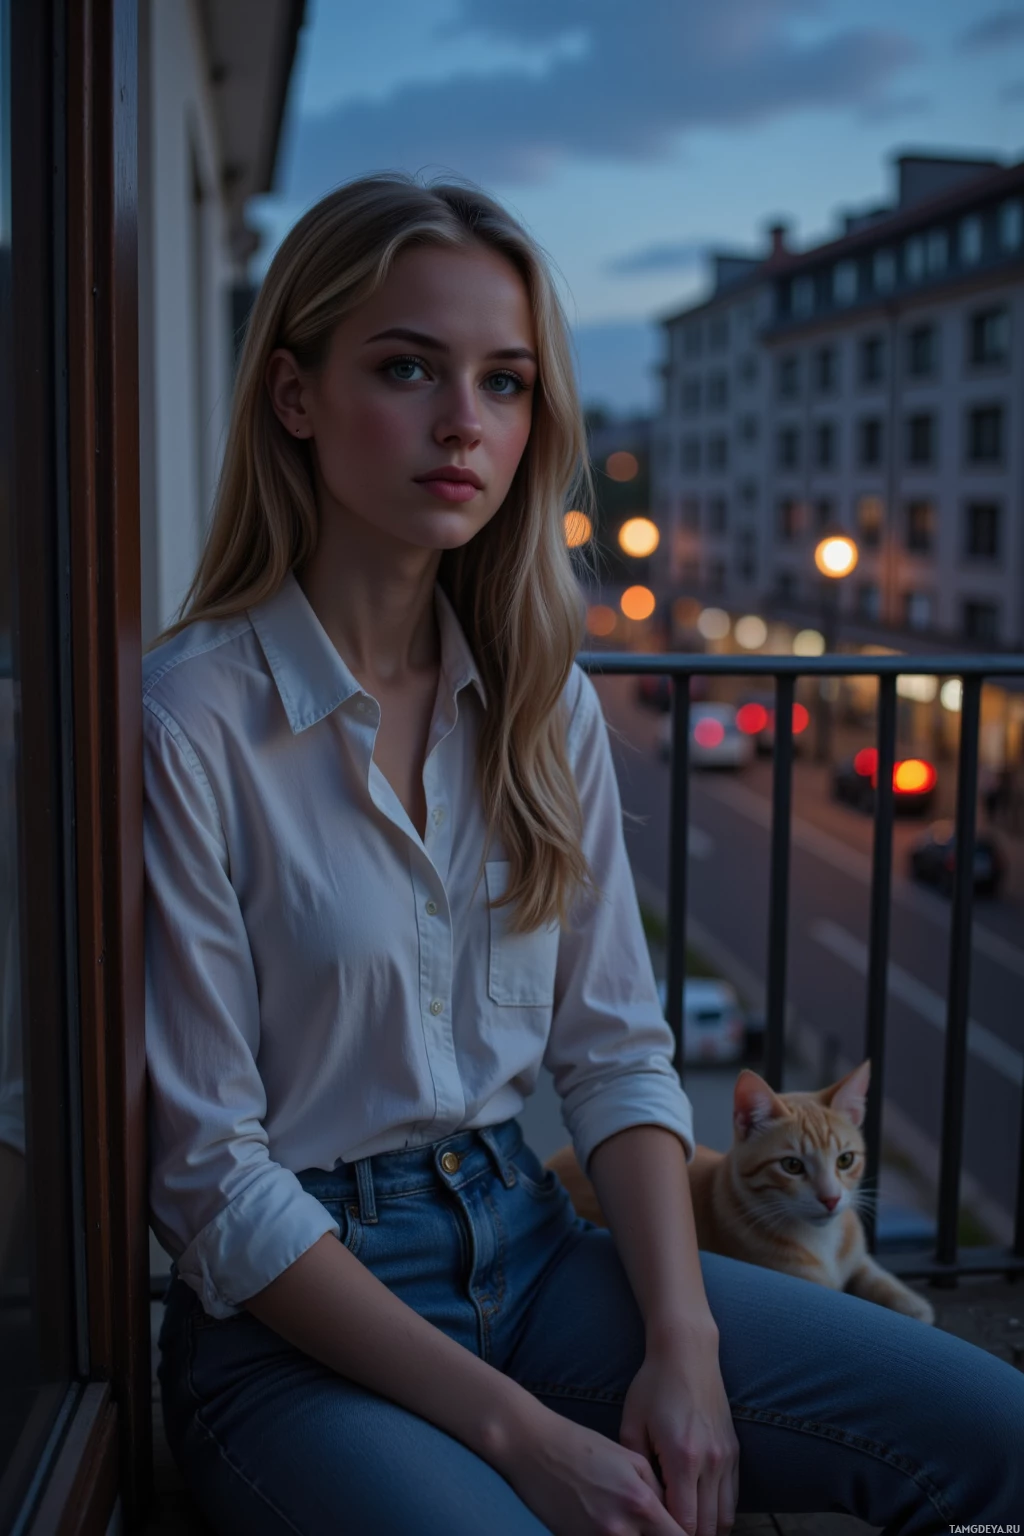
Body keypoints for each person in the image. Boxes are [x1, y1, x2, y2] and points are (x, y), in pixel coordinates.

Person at [144, 174, 1024, 1536]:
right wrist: (529, 1440)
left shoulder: (539, 695)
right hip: (302, 1332)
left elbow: (615, 1049)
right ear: (293, 394)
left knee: (994, 1436)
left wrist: (688, 1351)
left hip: (542, 1252)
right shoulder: (191, 716)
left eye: (506, 384)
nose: (464, 424)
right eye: (406, 368)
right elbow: (209, 1178)